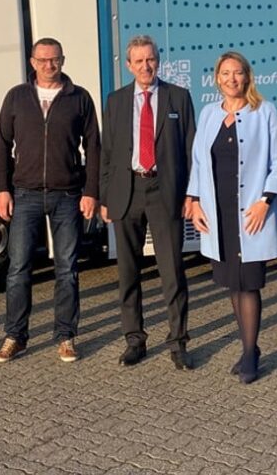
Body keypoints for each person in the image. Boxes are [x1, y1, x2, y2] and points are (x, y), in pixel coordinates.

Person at [0, 38, 100, 364]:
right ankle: (15, 336)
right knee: (18, 269)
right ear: (32, 62)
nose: (49, 65)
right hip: (24, 194)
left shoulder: (79, 98)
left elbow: (93, 147)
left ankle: (66, 336)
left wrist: (91, 191)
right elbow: (2, 145)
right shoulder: (16, 96)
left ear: (63, 60)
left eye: (54, 60)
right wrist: (1, 189)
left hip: (67, 195)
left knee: (67, 269)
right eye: (42, 60)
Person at [187, 51, 277, 383]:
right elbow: (198, 162)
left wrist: (265, 201)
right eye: (225, 73)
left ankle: (249, 354)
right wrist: (194, 201)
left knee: (249, 283)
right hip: (219, 213)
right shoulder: (208, 114)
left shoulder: (264, 111)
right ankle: (249, 347)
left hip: (251, 213)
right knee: (232, 281)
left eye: (238, 73)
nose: (232, 79)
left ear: (247, 76)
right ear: (217, 78)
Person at [100, 35, 197, 369]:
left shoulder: (178, 97)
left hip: (164, 191)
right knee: (128, 272)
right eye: (139, 61)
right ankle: (134, 339)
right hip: (127, 192)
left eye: (150, 59)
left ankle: (178, 342)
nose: (146, 66)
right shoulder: (115, 101)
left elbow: (191, 150)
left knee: (173, 271)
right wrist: (105, 197)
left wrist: (192, 194)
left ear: (158, 60)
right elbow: (107, 152)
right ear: (129, 65)